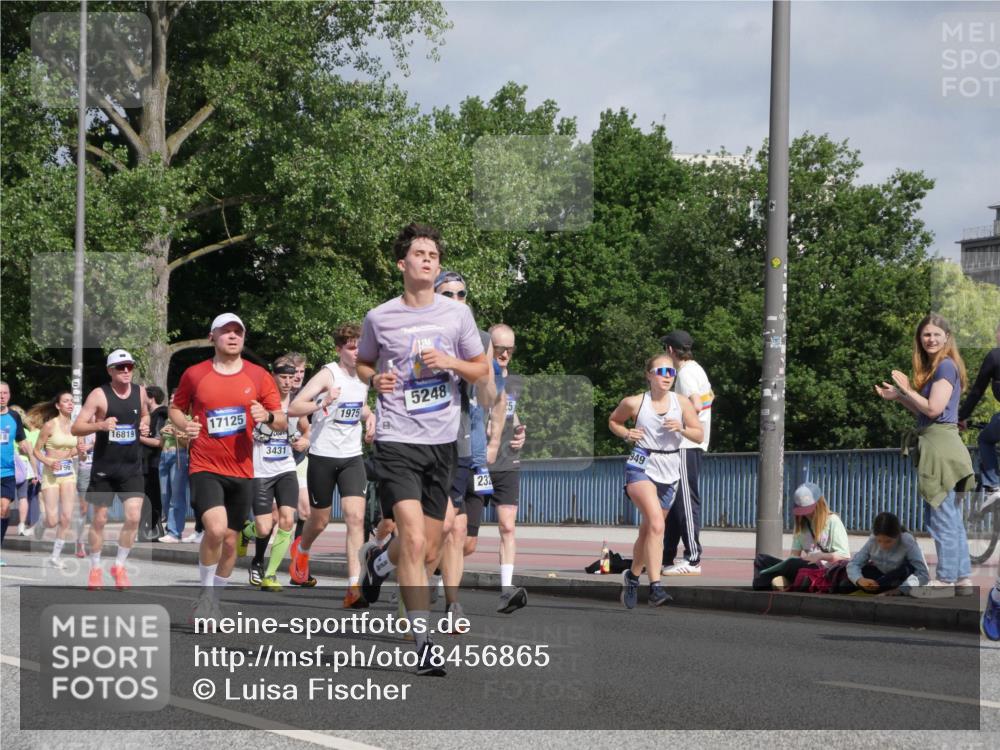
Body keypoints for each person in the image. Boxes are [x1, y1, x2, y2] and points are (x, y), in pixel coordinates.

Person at [356, 223, 488, 676]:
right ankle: (424, 641)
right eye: (419, 252)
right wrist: (374, 379)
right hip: (396, 437)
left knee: (429, 551)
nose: (428, 259)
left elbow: (481, 367)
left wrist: (451, 362)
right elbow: (363, 362)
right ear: (402, 264)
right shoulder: (380, 316)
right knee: (412, 537)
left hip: (442, 443)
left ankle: (377, 560)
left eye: (433, 253)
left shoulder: (458, 317)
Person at [169, 313, 284, 619]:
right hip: (205, 465)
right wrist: (184, 427)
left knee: (232, 543)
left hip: (243, 469)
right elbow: (176, 408)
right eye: (226, 332)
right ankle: (206, 597)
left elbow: (282, 420)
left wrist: (269, 417)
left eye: (238, 332)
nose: (233, 336)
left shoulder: (259, 376)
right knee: (217, 530)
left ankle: (214, 600)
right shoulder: (195, 374)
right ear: (212, 337)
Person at [876, 313, 976, 597]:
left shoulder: (945, 366)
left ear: (947, 337)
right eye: (925, 335)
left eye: (935, 334)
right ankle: (962, 578)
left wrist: (908, 388)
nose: (930, 339)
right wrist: (900, 396)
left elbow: (933, 410)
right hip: (942, 445)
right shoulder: (941, 367)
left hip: (940, 450)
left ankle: (945, 579)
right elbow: (925, 410)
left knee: (942, 518)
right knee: (951, 517)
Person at [288, 324, 375, 605]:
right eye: (351, 347)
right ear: (339, 350)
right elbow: (294, 406)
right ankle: (302, 548)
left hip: (352, 457)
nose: (357, 351)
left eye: (360, 346)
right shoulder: (328, 374)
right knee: (320, 520)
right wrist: (322, 402)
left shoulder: (365, 375)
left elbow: (359, 406)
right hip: (323, 456)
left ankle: (353, 588)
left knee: (355, 518)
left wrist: (369, 416)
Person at [609, 353, 703, 609]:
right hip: (642, 465)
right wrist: (627, 433)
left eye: (671, 372)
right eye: (661, 372)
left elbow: (699, 434)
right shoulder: (634, 403)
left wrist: (681, 429)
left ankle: (632, 576)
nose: (667, 377)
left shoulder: (681, 403)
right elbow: (614, 421)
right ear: (649, 375)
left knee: (649, 530)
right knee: (657, 525)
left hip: (670, 467)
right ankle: (656, 587)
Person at [433, 270, 499, 627]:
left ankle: (452, 605)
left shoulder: (481, 338)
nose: (457, 300)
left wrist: (485, 379)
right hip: (421, 442)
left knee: (456, 531)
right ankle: (383, 562)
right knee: (435, 529)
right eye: (448, 294)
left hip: (460, 443)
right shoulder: (420, 333)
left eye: (462, 294)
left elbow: (489, 396)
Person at [71, 350, 151, 590]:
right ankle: (95, 568)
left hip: (131, 467)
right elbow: (76, 428)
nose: (126, 371)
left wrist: (145, 425)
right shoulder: (99, 395)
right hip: (104, 468)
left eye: (129, 366)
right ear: (110, 370)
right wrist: (101, 425)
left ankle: (119, 565)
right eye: (120, 367)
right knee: (99, 519)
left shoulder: (140, 392)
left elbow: (145, 414)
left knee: (134, 516)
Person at [241, 357, 310, 591]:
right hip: (261, 471)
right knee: (262, 527)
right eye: (283, 377)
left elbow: (306, 429)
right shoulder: (259, 402)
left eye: (292, 377)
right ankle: (248, 536)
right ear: (272, 376)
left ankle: (270, 575)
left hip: (286, 469)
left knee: (287, 520)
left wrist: (305, 441)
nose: (288, 382)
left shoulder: (295, 403)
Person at [659, 330, 713, 576]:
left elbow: (697, 404)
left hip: (686, 444)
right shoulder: (697, 368)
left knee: (685, 502)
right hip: (690, 444)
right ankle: (667, 556)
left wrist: (677, 423)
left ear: (671, 350)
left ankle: (692, 559)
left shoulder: (686, 373)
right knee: (672, 500)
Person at [486, 324, 529, 613]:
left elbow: (510, 415)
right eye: (500, 348)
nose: (505, 354)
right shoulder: (475, 378)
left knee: (508, 526)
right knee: (460, 535)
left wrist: (519, 432)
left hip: (506, 462)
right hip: (477, 460)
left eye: (510, 349)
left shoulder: (512, 383)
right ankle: (436, 585)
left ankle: (506, 589)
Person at [751, 482, 851, 590]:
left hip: (822, 568)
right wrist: (788, 563)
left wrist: (820, 556)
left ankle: (785, 581)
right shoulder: (801, 524)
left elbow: (845, 556)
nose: (805, 514)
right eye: (802, 510)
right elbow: (794, 555)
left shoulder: (833, 521)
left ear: (819, 504)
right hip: (802, 564)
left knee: (796, 564)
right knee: (761, 560)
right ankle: (784, 581)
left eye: (808, 509)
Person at [31, 391, 80, 567]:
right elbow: (36, 450)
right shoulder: (50, 426)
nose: (70, 404)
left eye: (71, 401)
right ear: (58, 405)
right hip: (51, 474)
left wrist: (81, 451)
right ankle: (40, 524)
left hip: (68, 474)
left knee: (66, 517)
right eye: (66, 401)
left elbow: (76, 453)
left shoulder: (76, 427)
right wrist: (48, 462)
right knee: (52, 521)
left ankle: (55, 556)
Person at [958, 319, 1000, 512]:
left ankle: (993, 486)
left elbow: (977, 392)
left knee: (985, 439)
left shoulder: (994, 356)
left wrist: (961, 416)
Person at [841, 512, 929, 595]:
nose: (883, 545)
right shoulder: (872, 540)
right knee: (844, 585)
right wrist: (860, 580)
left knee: (902, 571)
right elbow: (854, 563)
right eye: (879, 541)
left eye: (888, 541)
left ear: (898, 535)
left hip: (900, 578)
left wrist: (901, 589)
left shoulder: (907, 541)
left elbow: (923, 573)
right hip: (882, 576)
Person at [1, 381, 34, 565]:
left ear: (9, 395)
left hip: (7, 471)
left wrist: (30, 458)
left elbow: (22, 441)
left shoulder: (14, 416)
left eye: (5, 393)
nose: (2, 396)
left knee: (4, 510)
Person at [138, 385, 169, 541]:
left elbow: (158, 442)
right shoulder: (150, 415)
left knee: (153, 497)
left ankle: (153, 530)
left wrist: (137, 438)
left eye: (144, 396)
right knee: (147, 497)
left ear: (151, 398)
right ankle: (149, 530)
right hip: (147, 463)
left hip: (154, 462)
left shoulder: (160, 415)